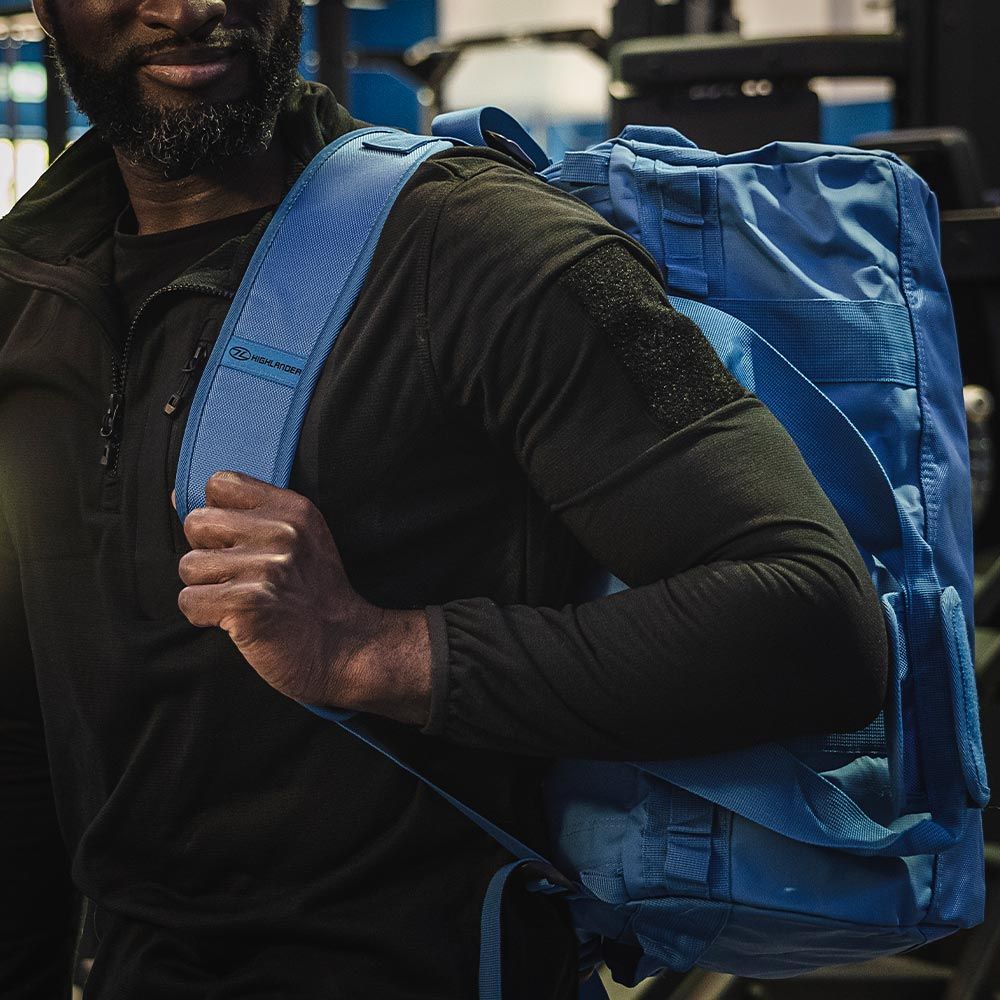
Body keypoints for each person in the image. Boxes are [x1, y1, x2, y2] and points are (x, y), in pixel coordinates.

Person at [0, 0, 889, 996]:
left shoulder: (486, 247)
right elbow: (27, 724)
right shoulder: (31, 295)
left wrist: (374, 651)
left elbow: (815, 617)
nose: (190, 5)